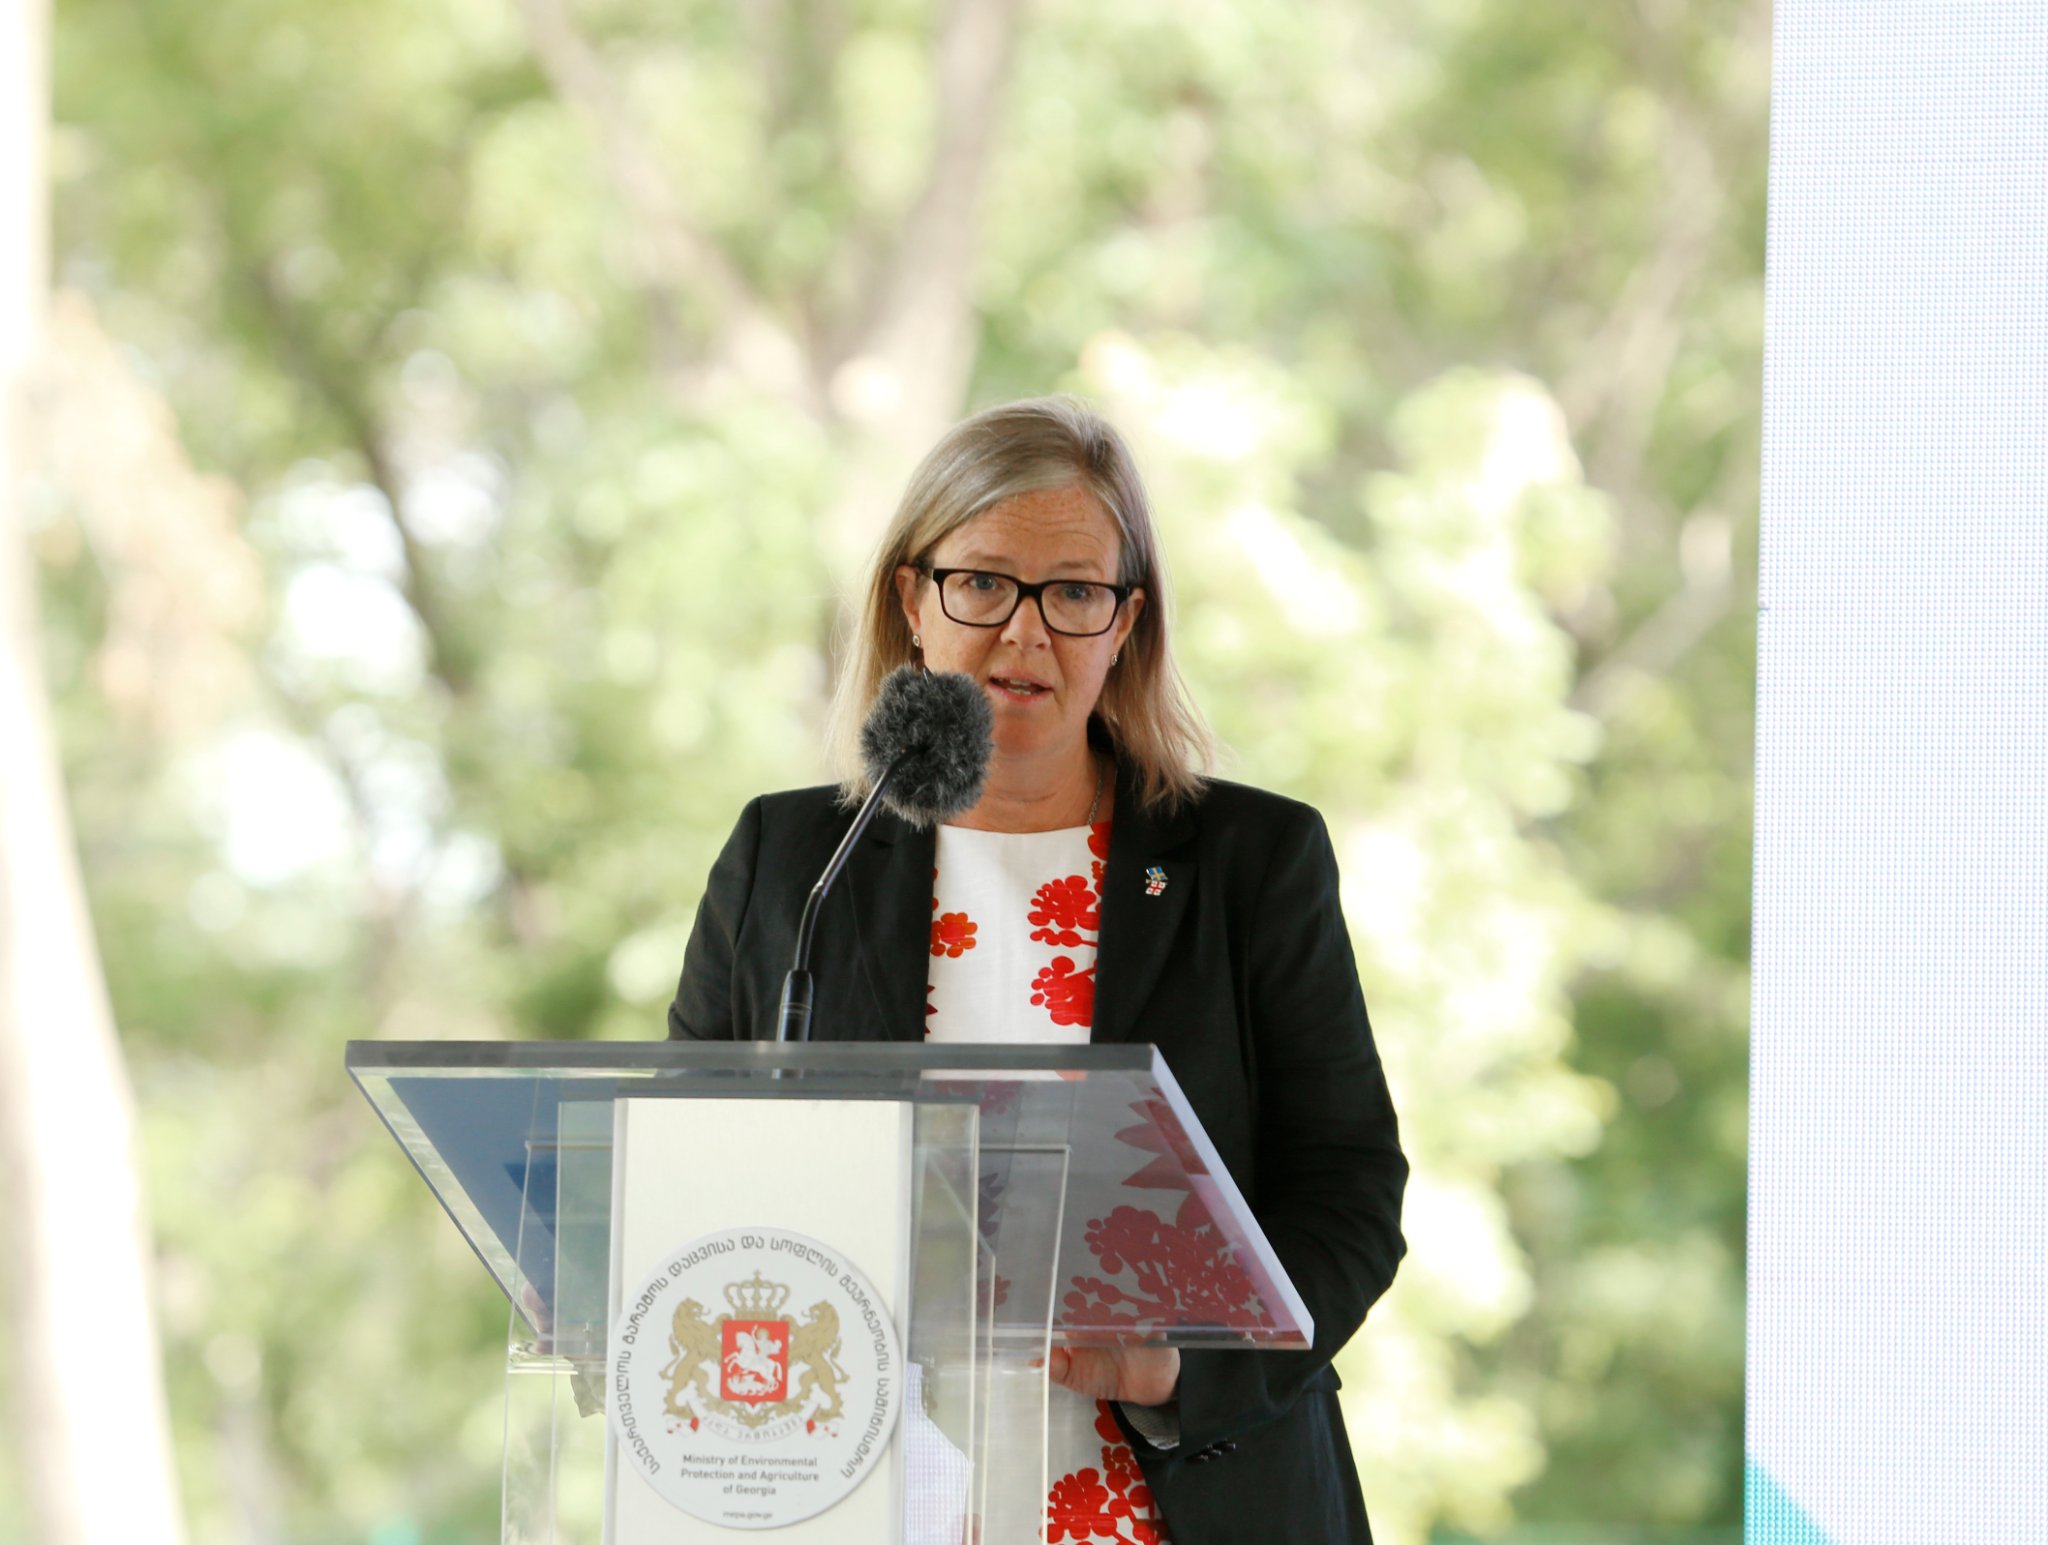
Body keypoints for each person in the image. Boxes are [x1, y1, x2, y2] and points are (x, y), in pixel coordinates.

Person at [668, 395, 1408, 1544]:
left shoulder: (1248, 860)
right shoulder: (796, 861)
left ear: (1125, 624)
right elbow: (678, 1172)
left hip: (1182, 1500)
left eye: (1071, 593)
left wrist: (1179, 1365)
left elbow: (1347, 1190)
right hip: (851, 1492)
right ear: (911, 601)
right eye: (981, 583)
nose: (1024, 635)